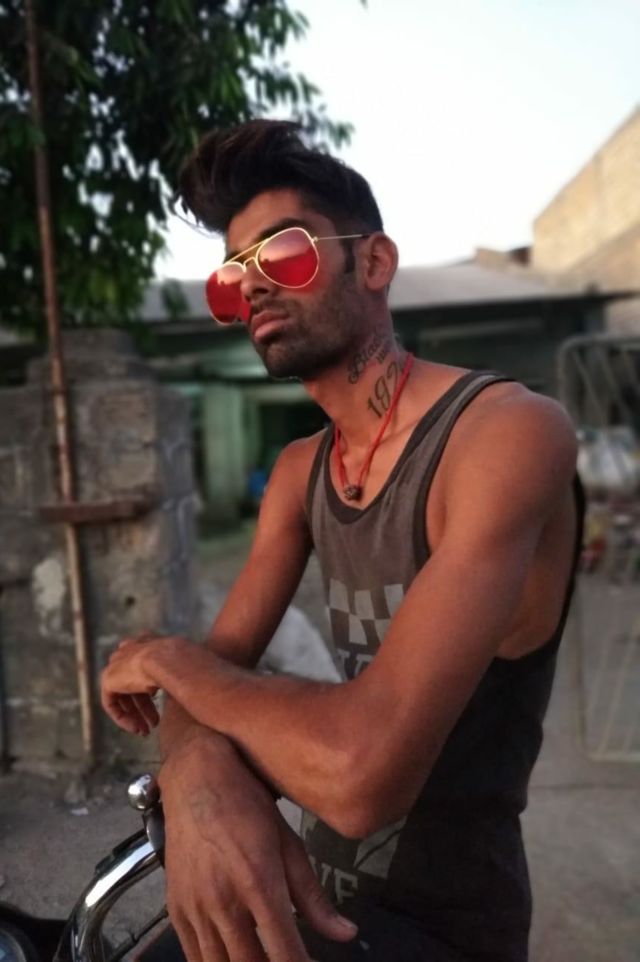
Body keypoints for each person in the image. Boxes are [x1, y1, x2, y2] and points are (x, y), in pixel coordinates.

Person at [100, 120, 584, 962]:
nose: (253, 287)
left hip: (443, 927)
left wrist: (168, 660)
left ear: (375, 262)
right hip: (311, 892)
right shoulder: (299, 472)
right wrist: (198, 778)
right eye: (232, 275)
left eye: (283, 254)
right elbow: (220, 667)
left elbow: (360, 776)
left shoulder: (504, 434)